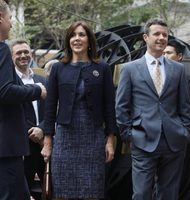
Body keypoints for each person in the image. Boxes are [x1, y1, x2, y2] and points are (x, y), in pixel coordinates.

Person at [115, 18, 190, 200]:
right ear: (145, 37)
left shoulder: (178, 69)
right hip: (143, 139)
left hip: (174, 141)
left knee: (169, 195)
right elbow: (121, 106)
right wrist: (129, 135)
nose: (161, 38)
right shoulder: (130, 69)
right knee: (141, 194)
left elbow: (184, 106)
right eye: (156, 34)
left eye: (164, 34)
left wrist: (185, 132)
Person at [41, 20, 116, 200]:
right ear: (68, 41)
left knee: (92, 191)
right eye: (73, 35)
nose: (77, 39)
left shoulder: (103, 68)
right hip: (65, 137)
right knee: (63, 192)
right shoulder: (58, 68)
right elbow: (50, 107)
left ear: (89, 40)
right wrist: (48, 141)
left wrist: (110, 139)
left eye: (82, 35)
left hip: (94, 136)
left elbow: (109, 107)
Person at [0, 1, 47, 200]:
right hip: (5, 148)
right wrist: (36, 90)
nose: (11, 24)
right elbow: (5, 92)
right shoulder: (1, 49)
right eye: (10, 18)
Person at [163, 40, 190, 200]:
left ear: (179, 57)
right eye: (163, 53)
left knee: (185, 186)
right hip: (159, 142)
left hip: (186, 143)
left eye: (168, 53)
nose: (164, 56)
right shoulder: (153, 80)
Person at [10, 39, 46, 200]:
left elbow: (54, 109)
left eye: (26, 52)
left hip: (46, 145)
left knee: (52, 190)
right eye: (18, 53)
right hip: (22, 147)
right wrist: (32, 131)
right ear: (11, 57)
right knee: (22, 193)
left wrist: (42, 129)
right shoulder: (9, 83)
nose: (23, 55)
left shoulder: (44, 80)